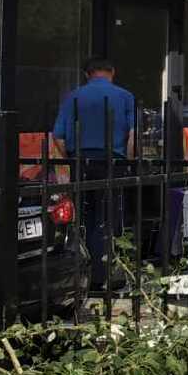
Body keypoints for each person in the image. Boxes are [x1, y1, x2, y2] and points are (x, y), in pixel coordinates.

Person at [54, 57, 137, 287]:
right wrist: (128, 163)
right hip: (112, 162)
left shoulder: (72, 97)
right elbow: (133, 136)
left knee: (82, 218)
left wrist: (70, 160)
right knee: (109, 218)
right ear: (112, 72)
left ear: (87, 74)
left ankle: (83, 274)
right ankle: (105, 275)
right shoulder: (125, 96)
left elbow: (58, 135)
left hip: (81, 163)